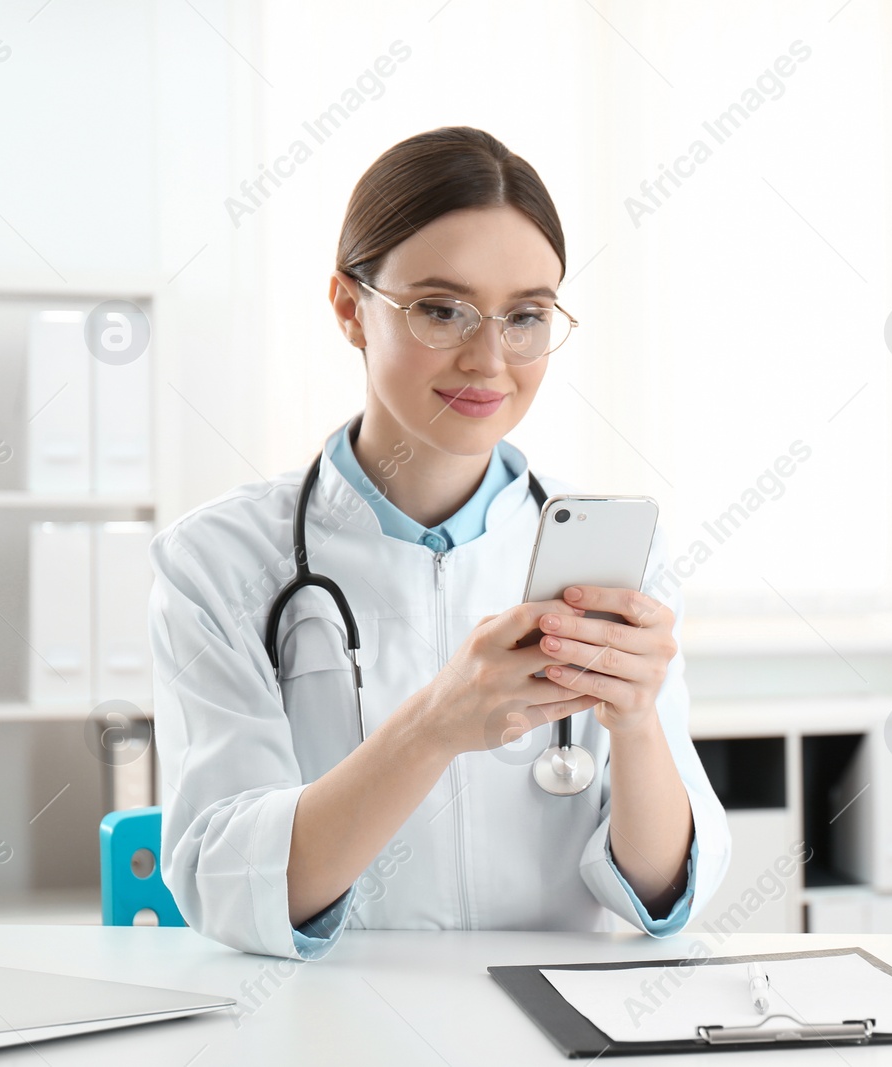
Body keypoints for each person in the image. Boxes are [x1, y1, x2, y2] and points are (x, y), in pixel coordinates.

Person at [148, 126, 730, 959]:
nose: (489, 359)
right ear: (351, 309)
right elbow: (229, 882)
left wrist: (635, 723)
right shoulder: (218, 562)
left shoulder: (613, 549)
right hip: (334, 1025)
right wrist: (434, 725)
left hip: (557, 1025)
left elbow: (662, 891)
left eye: (526, 316)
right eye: (442, 310)